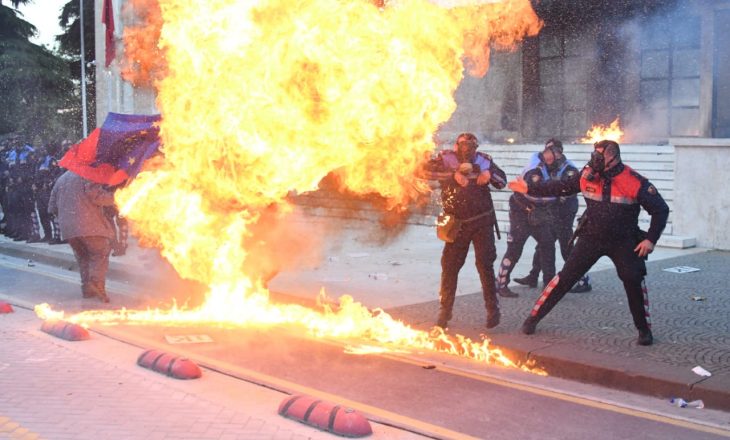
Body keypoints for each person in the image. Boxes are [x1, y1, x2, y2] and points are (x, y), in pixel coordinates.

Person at [509, 140, 669, 346]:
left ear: (613, 157)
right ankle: (533, 319)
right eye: (594, 155)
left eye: (599, 157)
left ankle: (643, 330)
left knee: (633, 279)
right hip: (591, 237)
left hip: (623, 240)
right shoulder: (587, 174)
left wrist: (650, 239)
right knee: (565, 277)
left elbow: (660, 210)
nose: (595, 160)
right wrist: (529, 187)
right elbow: (561, 187)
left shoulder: (634, 180)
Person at [422, 133, 507, 329]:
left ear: (475, 147)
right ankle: (445, 311)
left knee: (485, 265)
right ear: (456, 145)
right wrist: (453, 176)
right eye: (462, 145)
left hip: (481, 221)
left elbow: (502, 181)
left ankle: (493, 310)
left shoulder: (484, 161)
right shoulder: (445, 159)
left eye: (470, 145)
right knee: (450, 267)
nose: (466, 149)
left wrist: (489, 175)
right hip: (456, 223)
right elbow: (424, 172)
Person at [512, 139, 592, 293]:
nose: (549, 155)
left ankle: (583, 280)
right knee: (544, 243)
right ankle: (534, 275)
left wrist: (552, 194)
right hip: (552, 210)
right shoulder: (546, 166)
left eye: (553, 151)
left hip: (565, 211)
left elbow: (568, 190)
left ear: (560, 152)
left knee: (566, 246)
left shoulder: (570, 168)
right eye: (547, 151)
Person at [495, 141, 562, 298]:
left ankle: (549, 285)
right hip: (521, 212)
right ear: (546, 155)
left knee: (548, 245)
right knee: (515, 249)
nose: (556, 157)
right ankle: (501, 283)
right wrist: (556, 195)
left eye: (558, 154)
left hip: (539, 214)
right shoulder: (535, 171)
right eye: (553, 154)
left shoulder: (553, 168)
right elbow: (535, 193)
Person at [48, 170, 117, 303]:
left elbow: (51, 207)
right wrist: (117, 197)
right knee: (99, 255)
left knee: (83, 258)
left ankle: (87, 288)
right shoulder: (87, 175)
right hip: (90, 226)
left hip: (69, 230)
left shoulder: (61, 179)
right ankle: (97, 285)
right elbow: (98, 197)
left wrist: (67, 216)